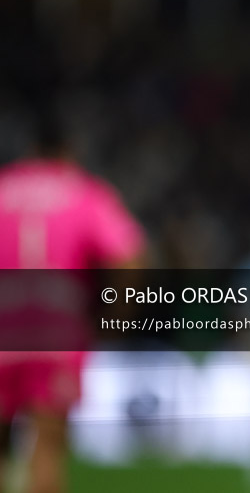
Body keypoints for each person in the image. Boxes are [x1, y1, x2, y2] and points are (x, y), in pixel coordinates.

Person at [0, 110, 145, 493]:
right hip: (56, 330)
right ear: (69, 151)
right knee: (47, 448)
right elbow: (130, 258)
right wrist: (114, 314)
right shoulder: (85, 192)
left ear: (30, 151)